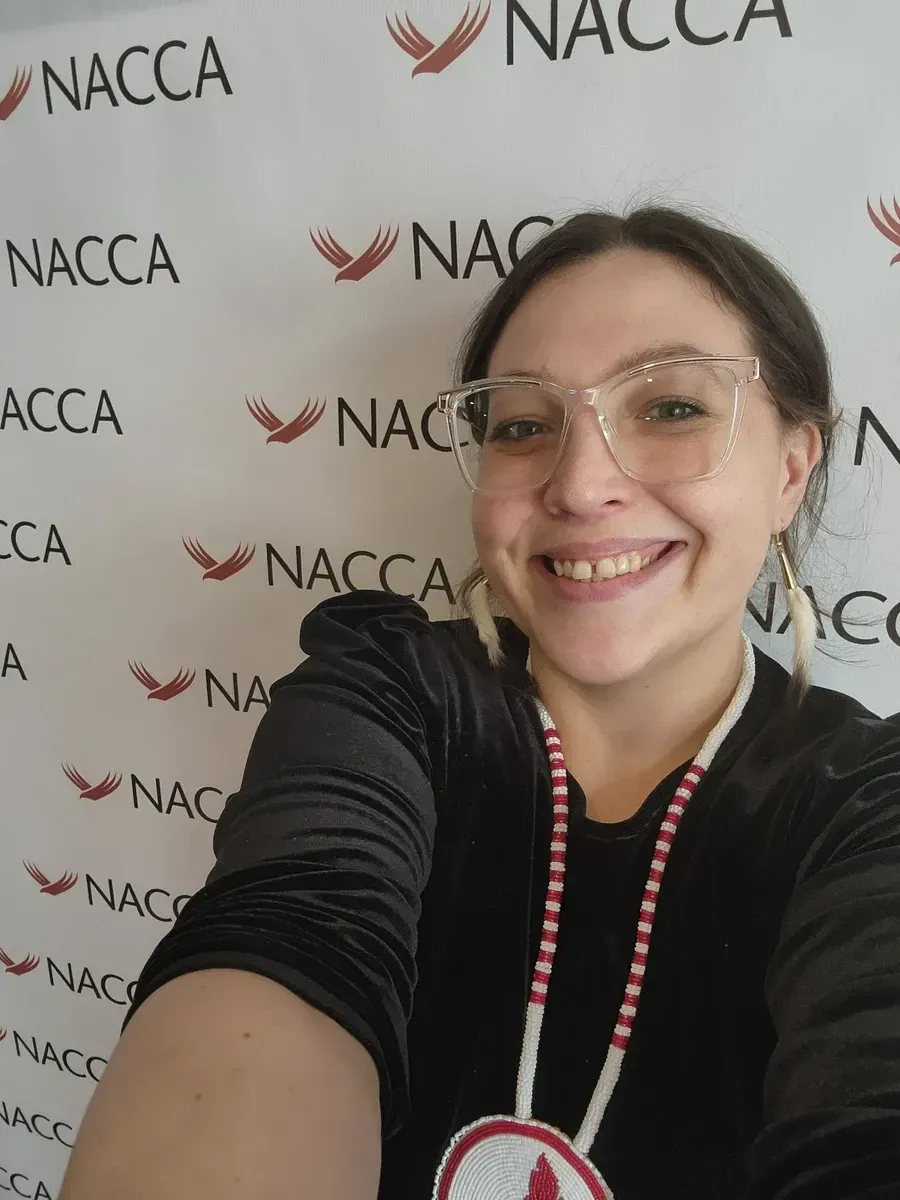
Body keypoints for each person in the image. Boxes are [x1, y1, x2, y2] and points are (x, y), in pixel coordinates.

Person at [60, 207, 900, 1200]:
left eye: (671, 408)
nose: (583, 485)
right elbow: (291, 928)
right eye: (524, 425)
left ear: (792, 468)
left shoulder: (864, 801)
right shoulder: (387, 697)